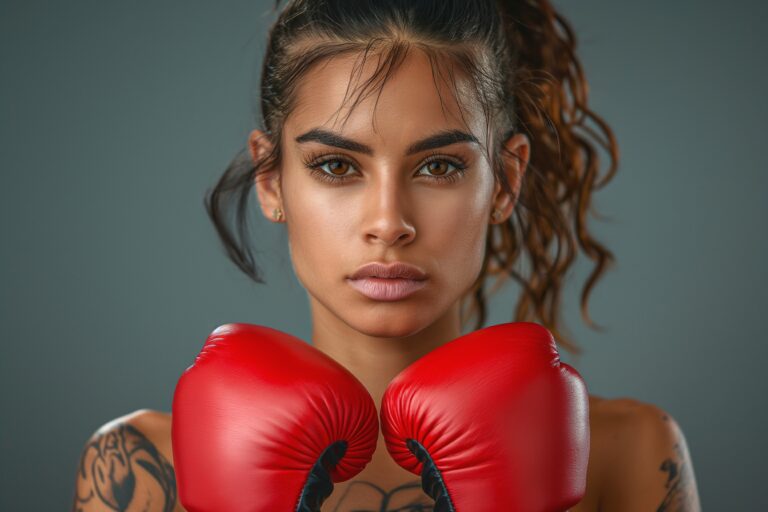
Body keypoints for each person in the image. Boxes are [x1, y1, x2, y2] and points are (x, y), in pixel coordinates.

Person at [71, 0, 702, 510]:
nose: (388, 223)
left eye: (438, 165)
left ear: (505, 183)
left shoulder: (628, 453)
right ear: (272, 180)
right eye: (337, 165)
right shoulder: (142, 469)